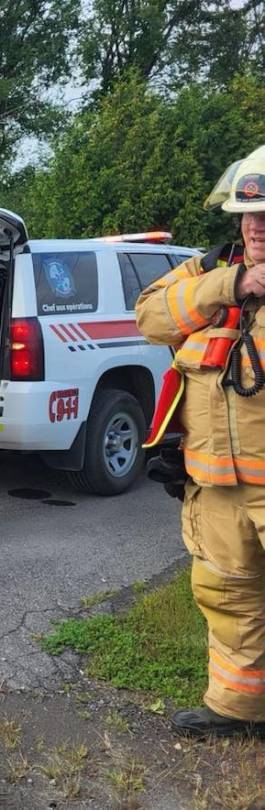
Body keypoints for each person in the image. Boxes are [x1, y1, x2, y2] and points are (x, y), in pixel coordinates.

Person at [136, 144, 265, 739]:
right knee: (227, 596)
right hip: (216, 487)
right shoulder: (210, 270)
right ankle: (238, 709)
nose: (256, 226)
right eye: (248, 214)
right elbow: (150, 316)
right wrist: (230, 284)